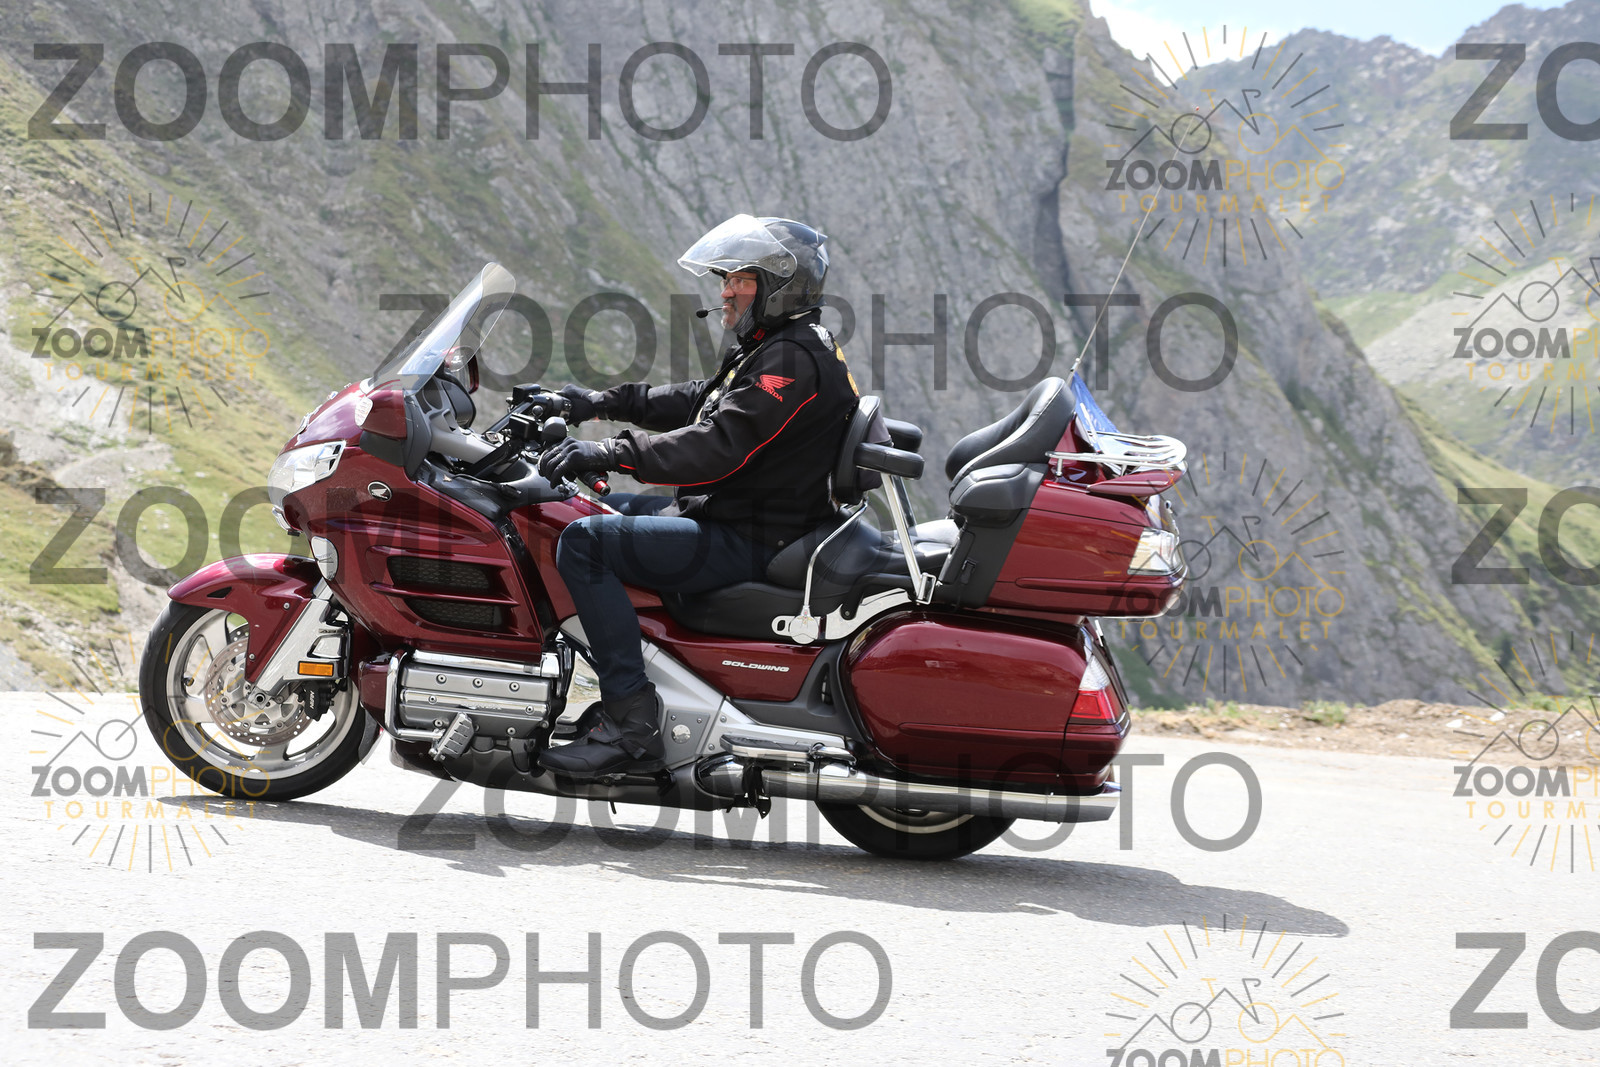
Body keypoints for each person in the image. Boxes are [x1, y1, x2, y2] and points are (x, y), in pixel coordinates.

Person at [536, 214, 861, 779]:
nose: (726, 291)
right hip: (731, 515)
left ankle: (630, 725)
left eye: (741, 279)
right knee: (579, 512)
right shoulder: (779, 345)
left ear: (780, 286)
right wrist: (596, 402)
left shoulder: (792, 360)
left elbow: (720, 444)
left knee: (584, 543)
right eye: (726, 279)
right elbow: (701, 400)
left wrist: (610, 451)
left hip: (748, 536)